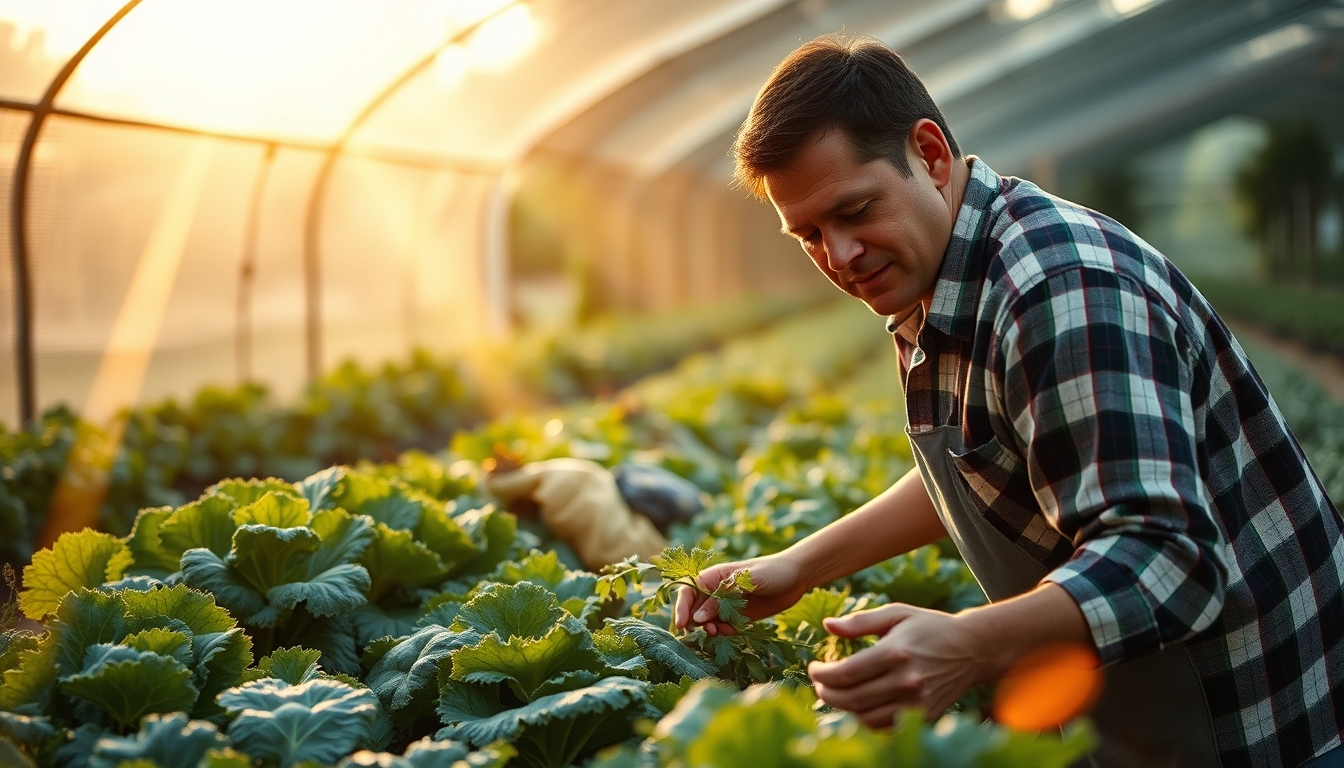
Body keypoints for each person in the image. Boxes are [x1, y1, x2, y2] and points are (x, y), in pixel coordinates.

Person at [672, 33, 1344, 768]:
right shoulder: (944, 275)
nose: (841, 255)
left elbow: (1172, 562)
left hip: (1260, 726)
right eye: (808, 236)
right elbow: (987, 464)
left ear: (929, 154)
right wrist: (800, 566)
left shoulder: (1061, 292)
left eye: (855, 210)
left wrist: (965, 644)